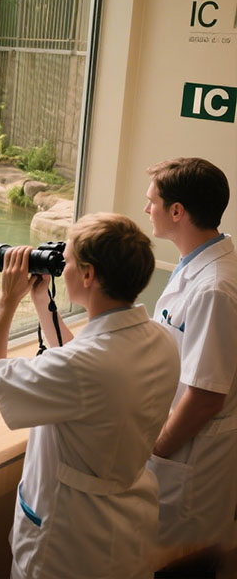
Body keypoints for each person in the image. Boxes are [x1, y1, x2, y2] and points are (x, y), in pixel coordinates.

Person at [0, 213, 179, 579]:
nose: (61, 268)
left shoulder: (85, 366)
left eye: (66, 261)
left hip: (69, 546)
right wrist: (41, 299)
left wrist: (7, 300)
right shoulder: (158, 338)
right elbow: (85, 368)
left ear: (88, 276)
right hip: (128, 529)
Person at [144, 157, 237, 558]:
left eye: (152, 201)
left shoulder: (214, 288)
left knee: (180, 567)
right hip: (184, 452)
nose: (147, 209)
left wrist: (155, 451)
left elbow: (206, 396)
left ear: (177, 211)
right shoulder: (199, 265)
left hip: (190, 462)